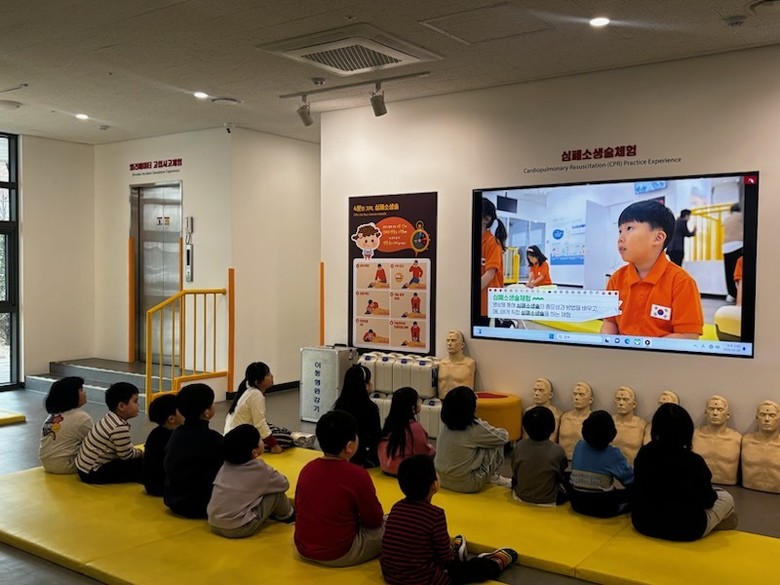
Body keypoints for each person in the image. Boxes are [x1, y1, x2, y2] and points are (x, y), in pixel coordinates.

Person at [381, 455, 518, 585]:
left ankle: (455, 551)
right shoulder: (435, 515)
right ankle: (494, 563)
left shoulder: (397, 507)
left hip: (391, 575)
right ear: (434, 484)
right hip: (425, 580)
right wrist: (451, 557)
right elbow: (444, 559)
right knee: (470, 569)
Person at [632, 403, 738, 541]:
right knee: (725, 497)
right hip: (687, 529)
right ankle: (715, 524)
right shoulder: (694, 462)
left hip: (644, 523)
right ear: (687, 430)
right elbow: (708, 501)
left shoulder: (644, 453)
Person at [600, 200, 703, 339]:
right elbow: (610, 322)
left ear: (658, 238)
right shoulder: (616, 279)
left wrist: (645, 349)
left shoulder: (681, 282)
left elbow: (688, 336)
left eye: (629, 228)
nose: (620, 238)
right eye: (620, 231)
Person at [294, 410, 384, 566]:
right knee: (396, 528)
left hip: (303, 547)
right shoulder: (357, 475)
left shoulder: (307, 469)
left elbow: (299, 507)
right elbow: (374, 520)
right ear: (349, 446)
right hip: (339, 552)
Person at [207, 424, 295, 538]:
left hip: (214, 523)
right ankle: (289, 516)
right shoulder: (260, 469)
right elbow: (284, 484)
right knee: (276, 494)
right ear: (254, 452)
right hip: (238, 528)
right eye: (260, 439)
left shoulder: (225, 466)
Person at [163, 383, 223, 519]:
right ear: (206, 412)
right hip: (200, 505)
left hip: (173, 500)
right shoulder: (213, 438)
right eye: (212, 403)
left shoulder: (177, 432)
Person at [435, 386, 510, 493]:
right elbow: (504, 437)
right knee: (495, 442)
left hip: (440, 479)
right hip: (467, 484)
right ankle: (493, 477)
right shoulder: (475, 428)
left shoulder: (446, 426)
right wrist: (483, 424)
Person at [75, 382, 143, 484]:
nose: (138, 405)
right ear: (121, 406)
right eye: (135, 401)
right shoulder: (119, 427)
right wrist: (141, 453)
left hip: (83, 468)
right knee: (139, 464)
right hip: (92, 473)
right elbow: (126, 455)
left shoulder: (110, 418)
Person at [569, 410, 634, 518]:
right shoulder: (613, 454)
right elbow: (630, 480)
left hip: (576, 502)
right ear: (612, 433)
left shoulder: (579, 446)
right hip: (602, 507)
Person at [224, 362, 298, 452]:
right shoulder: (255, 394)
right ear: (258, 382)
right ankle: (293, 437)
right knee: (287, 439)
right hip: (239, 440)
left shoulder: (250, 391)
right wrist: (274, 445)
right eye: (267, 375)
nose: (272, 376)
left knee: (271, 426)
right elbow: (260, 424)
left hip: (240, 432)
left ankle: (291, 435)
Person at [511, 407, 568, 506]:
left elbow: (515, 471)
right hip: (548, 500)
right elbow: (561, 474)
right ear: (552, 428)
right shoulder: (557, 450)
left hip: (520, 496)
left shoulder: (519, 446)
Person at [39, 376, 93, 474]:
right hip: (66, 465)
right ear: (72, 395)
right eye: (81, 390)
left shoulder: (52, 415)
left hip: (46, 463)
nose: (85, 392)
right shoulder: (81, 417)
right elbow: (94, 442)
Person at [378, 387, 435, 476]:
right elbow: (424, 451)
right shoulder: (414, 427)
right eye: (418, 400)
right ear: (412, 406)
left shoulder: (389, 424)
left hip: (385, 467)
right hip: (404, 471)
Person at [333, 364, 381, 467]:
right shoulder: (370, 408)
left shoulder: (339, 405)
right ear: (365, 385)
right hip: (364, 458)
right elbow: (376, 436)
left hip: (340, 454)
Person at [691, 395, 741, 485]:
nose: (715, 413)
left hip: (728, 486)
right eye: (711, 409)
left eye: (720, 410)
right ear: (705, 413)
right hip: (697, 484)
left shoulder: (737, 439)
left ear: (728, 415)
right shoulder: (694, 435)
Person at [142, 393, 183, 496]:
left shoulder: (155, 433)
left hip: (151, 485)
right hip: (164, 487)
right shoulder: (175, 437)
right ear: (171, 419)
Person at [740, 400, 780, 493]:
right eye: (763, 415)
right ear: (757, 418)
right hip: (747, 492)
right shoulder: (745, 441)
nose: (767, 419)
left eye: (772, 415)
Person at [478, 198, 506, 326]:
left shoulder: (492, 243)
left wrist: (470, 292)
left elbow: (490, 273)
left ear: (486, 219)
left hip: (485, 303)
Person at [612, 386, 647, 465]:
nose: (621, 403)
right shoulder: (609, 422)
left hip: (633, 469)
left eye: (625, 400)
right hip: (610, 470)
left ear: (634, 404)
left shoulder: (642, 425)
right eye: (618, 399)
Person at [558, 381, 593, 459]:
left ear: (590, 399)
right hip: (562, 461)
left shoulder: (593, 420)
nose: (576, 398)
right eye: (574, 394)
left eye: (581, 395)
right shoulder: (564, 417)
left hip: (583, 462)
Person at [437, 330, 476, 399]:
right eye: (448, 340)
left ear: (462, 345)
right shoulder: (441, 363)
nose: (449, 343)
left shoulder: (469, 364)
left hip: (462, 402)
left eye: (453, 340)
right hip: (442, 402)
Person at [522, 377, 562, 441]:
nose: (536, 393)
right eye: (535, 390)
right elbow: (525, 437)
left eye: (541, 390)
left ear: (550, 395)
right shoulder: (528, 412)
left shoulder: (557, 414)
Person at [722, 203, 743, 302]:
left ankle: (731, 294)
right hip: (738, 245)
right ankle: (740, 294)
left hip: (726, 247)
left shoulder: (726, 219)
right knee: (739, 273)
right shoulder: (741, 217)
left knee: (729, 273)